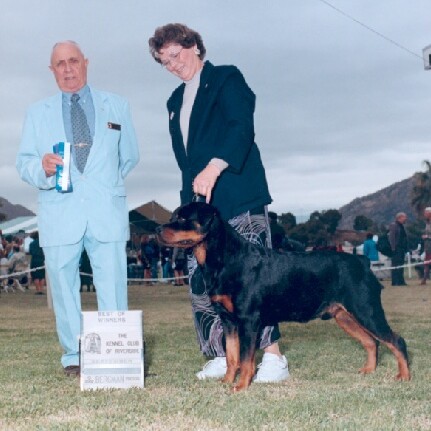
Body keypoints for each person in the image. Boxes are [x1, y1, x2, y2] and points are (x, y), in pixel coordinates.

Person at [148, 23, 289, 383]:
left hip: (238, 193)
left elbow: (241, 127)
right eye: (164, 62)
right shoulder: (173, 101)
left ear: (193, 45)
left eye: (176, 55)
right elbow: (186, 159)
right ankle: (218, 354)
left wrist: (215, 166)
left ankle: (272, 358)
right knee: (202, 282)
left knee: (256, 282)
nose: (172, 65)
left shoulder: (227, 78)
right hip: (198, 206)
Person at [16, 41, 140, 376]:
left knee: (113, 283)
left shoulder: (117, 105)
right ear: (51, 70)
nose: (68, 69)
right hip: (59, 214)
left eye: (74, 61)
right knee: (63, 287)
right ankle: (74, 355)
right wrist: (40, 167)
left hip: (107, 214)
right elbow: (23, 163)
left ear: (86, 63)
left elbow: (128, 158)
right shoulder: (37, 113)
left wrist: (101, 186)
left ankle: (116, 355)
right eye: (60, 64)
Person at [388, 212, 408, 286]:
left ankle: (401, 280)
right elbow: (392, 237)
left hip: (402, 249)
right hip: (396, 248)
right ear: (399, 218)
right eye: (404, 217)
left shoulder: (401, 226)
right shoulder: (394, 225)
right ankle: (395, 281)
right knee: (396, 265)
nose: (406, 218)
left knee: (401, 265)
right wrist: (393, 248)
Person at [420, 207, 431, 285]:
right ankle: (424, 279)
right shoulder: (427, 223)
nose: (424, 214)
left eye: (425, 213)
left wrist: (427, 237)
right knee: (426, 263)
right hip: (428, 246)